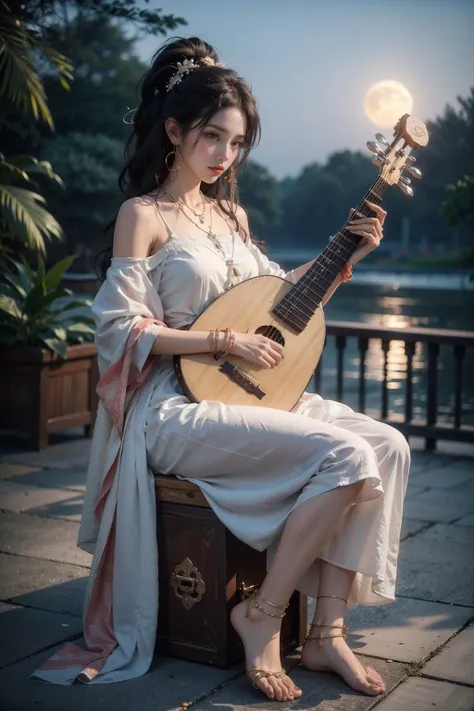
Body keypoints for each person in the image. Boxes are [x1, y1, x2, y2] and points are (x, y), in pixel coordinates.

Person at [33, 37, 410, 700]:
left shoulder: (232, 216)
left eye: (236, 144)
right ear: (175, 131)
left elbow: (279, 308)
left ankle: (326, 633)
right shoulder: (142, 216)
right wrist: (220, 341)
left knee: (389, 444)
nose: (224, 155)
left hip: (236, 391)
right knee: (346, 456)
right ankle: (259, 614)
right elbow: (121, 329)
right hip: (173, 406)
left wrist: (347, 256)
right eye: (212, 137)